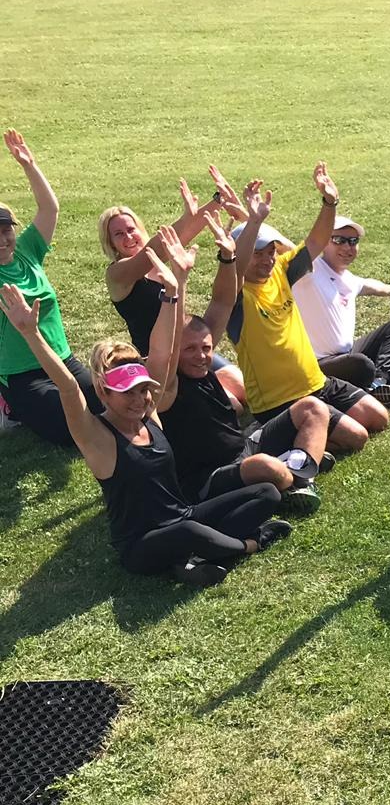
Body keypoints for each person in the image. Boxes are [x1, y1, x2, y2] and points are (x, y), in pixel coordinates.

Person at [0, 249, 290, 586]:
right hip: (140, 544)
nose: (139, 400)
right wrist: (31, 334)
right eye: (128, 393)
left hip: (184, 516)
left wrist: (173, 292)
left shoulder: (150, 416)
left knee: (266, 493)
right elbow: (67, 388)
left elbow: (164, 351)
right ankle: (248, 544)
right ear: (104, 393)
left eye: (143, 390)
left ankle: (195, 557)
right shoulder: (96, 437)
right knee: (189, 531)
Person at [151, 213, 329, 513]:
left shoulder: (205, 365)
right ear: (175, 353)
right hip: (208, 478)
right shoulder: (169, 385)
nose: (201, 356)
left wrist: (227, 258)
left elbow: (223, 300)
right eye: (190, 349)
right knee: (266, 467)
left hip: (244, 448)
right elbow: (166, 346)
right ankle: (297, 466)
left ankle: (298, 477)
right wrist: (177, 283)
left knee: (313, 408)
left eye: (206, 348)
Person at [222, 165, 390, 453]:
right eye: (258, 254)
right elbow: (235, 267)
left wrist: (329, 202)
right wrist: (254, 221)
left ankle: (309, 430)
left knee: (379, 418)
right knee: (357, 437)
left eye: (271, 251)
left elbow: (315, 242)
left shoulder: (281, 272)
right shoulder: (235, 295)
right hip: (279, 401)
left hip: (317, 382)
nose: (268, 259)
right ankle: (278, 438)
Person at [0, 128, 98, 446]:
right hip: (21, 373)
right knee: (67, 428)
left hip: (61, 359)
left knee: (106, 405)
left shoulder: (27, 249)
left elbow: (49, 209)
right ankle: (9, 407)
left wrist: (29, 165)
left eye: (6, 230)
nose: (2, 240)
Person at [292, 210, 390, 404]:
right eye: (339, 240)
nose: (347, 247)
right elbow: (280, 245)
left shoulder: (349, 280)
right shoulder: (309, 270)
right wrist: (253, 220)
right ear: (324, 242)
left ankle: (378, 381)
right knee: (361, 365)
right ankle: (379, 374)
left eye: (353, 241)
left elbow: (371, 286)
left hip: (347, 354)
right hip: (317, 364)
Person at [99, 180, 227, 357]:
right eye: (119, 234)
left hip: (184, 348)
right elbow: (156, 248)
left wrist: (219, 199)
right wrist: (186, 217)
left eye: (131, 229)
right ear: (111, 243)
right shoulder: (117, 274)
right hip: (155, 359)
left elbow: (186, 233)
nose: (128, 237)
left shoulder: (154, 262)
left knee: (231, 372)